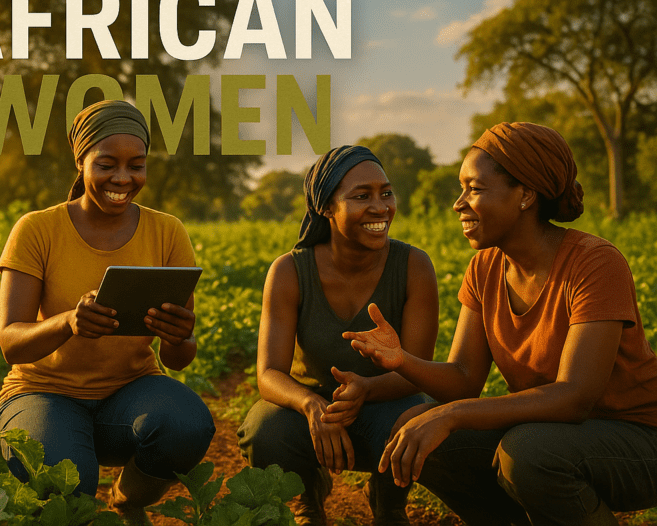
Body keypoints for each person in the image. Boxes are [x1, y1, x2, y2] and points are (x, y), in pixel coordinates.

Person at [346, 122, 657, 526]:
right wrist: (401, 359)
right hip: (555, 435)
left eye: (474, 189)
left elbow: (574, 396)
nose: (459, 203)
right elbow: (463, 377)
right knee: (418, 426)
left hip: (639, 438)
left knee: (528, 452)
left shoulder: (594, 262)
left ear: (525, 194)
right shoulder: (485, 268)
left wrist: (452, 414)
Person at [0, 100, 215, 524]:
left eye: (137, 165)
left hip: (130, 390)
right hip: (43, 391)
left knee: (187, 425)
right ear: (82, 163)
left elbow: (178, 359)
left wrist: (178, 336)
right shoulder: (37, 228)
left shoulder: (167, 231)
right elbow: (10, 343)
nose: (123, 178)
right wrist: (68, 322)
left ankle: (128, 501)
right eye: (107, 164)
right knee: (66, 482)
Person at [236, 146, 439, 526]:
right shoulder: (289, 272)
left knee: (418, 418)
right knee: (264, 431)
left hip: (385, 404)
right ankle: (306, 498)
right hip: (314, 405)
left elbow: (416, 370)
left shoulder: (413, 266)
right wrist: (312, 406)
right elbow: (269, 374)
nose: (380, 207)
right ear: (326, 208)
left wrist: (366, 388)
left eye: (386, 193)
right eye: (362, 196)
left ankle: (389, 501)